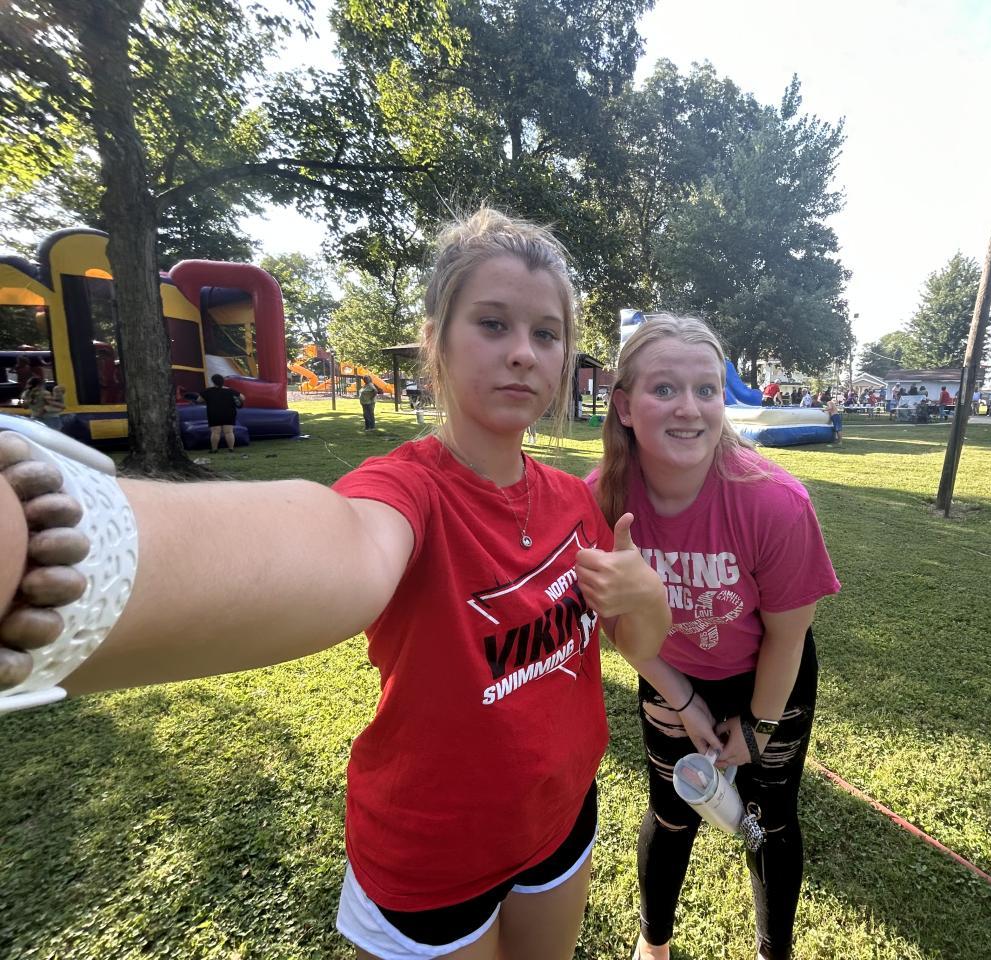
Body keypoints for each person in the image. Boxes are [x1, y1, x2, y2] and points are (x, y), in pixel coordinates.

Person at [0, 208, 672, 960]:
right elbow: (343, 548)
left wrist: (647, 600)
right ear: (437, 341)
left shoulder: (576, 501)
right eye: (492, 324)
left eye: (546, 334)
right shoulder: (406, 491)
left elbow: (638, 643)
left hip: (562, 819)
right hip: (434, 858)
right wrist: (61, 547)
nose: (522, 352)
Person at [592, 315, 841, 960]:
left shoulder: (774, 502)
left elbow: (788, 638)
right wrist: (680, 698)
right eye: (664, 389)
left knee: (768, 818)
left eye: (706, 389)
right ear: (624, 406)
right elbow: (618, 626)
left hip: (770, 676)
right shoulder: (600, 500)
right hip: (670, 671)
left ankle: (772, 952)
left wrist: (756, 728)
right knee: (674, 811)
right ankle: (653, 945)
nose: (690, 408)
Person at [199, 373, 243, 454]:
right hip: (229, 413)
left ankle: (214, 449)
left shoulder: (208, 391)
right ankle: (231, 449)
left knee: (215, 432)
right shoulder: (230, 390)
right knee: (229, 432)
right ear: (223, 381)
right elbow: (242, 397)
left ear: (213, 381)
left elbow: (199, 400)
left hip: (214, 413)